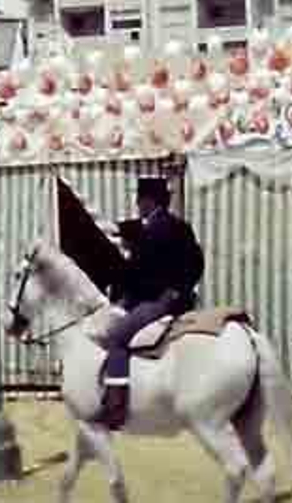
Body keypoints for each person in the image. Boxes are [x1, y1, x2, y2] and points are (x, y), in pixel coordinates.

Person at [100, 175, 205, 429]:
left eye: (139, 200)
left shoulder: (163, 229)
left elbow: (192, 263)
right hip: (151, 296)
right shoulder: (162, 225)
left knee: (115, 338)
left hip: (157, 300)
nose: (137, 204)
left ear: (149, 201)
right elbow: (128, 228)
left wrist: (175, 291)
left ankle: (116, 410)